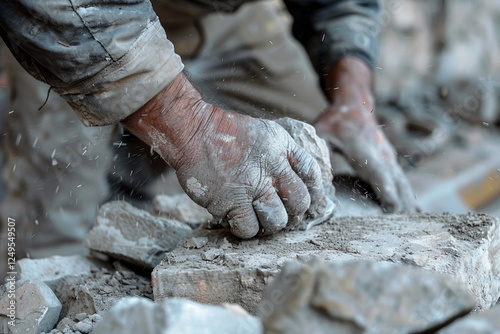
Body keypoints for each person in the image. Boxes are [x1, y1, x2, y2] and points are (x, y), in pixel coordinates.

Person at [0, 0, 415, 260]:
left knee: (320, 159)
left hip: (220, 14)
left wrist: (353, 102)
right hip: (76, 23)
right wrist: (196, 128)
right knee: (52, 230)